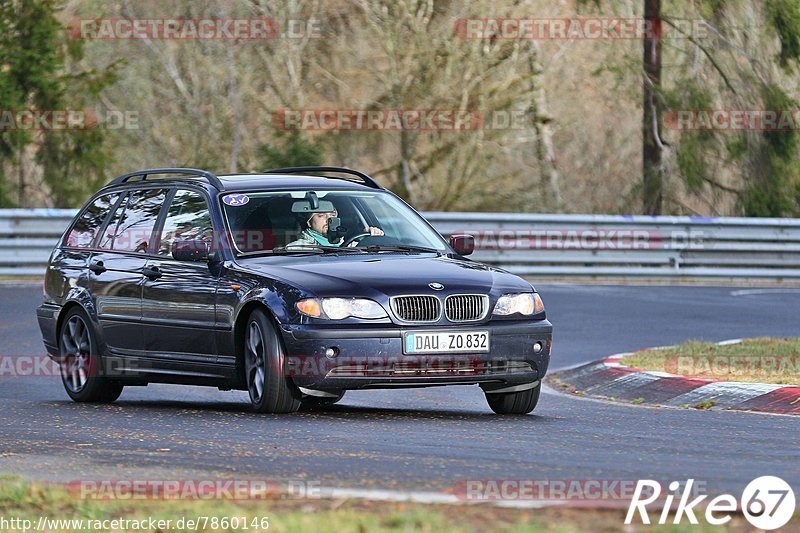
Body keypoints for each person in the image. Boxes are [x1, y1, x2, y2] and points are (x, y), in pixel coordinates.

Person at [286, 208, 383, 247]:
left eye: (332, 215)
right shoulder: (296, 249)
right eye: (321, 215)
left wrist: (372, 239)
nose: (329, 219)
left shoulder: (352, 246)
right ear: (309, 223)